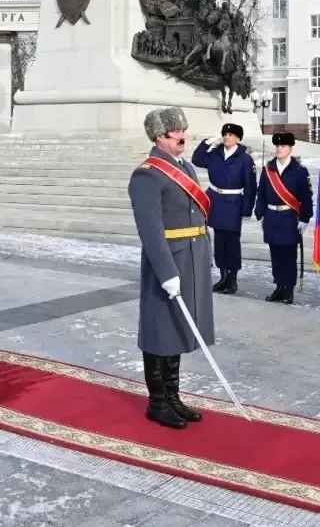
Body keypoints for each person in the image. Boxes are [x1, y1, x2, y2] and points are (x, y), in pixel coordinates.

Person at [127, 106, 214, 430]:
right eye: (176, 133)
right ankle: (157, 401)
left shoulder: (186, 167)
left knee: (178, 329)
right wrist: (167, 273)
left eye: (183, 130)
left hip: (190, 257)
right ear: (159, 137)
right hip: (167, 262)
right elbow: (150, 230)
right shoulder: (147, 175)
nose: (183, 136)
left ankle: (173, 396)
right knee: (159, 332)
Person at [191, 123, 256, 295]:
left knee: (232, 242)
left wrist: (247, 209)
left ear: (238, 138)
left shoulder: (245, 159)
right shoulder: (215, 154)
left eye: (231, 135)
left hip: (233, 202)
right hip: (216, 200)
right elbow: (197, 159)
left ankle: (232, 280)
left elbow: (250, 186)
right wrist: (207, 143)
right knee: (219, 240)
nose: (227, 137)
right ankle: (223, 276)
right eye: (225, 134)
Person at [254, 131, 313, 304]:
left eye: (283, 146)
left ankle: (289, 289)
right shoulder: (268, 169)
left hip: (289, 216)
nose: (279, 149)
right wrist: (260, 214)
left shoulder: (300, 171)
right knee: (276, 253)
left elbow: (306, 197)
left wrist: (304, 219)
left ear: (290, 149)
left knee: (288, 254)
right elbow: (261, 193)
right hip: (272, 215)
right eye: (277, 146)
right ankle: (279, 286)